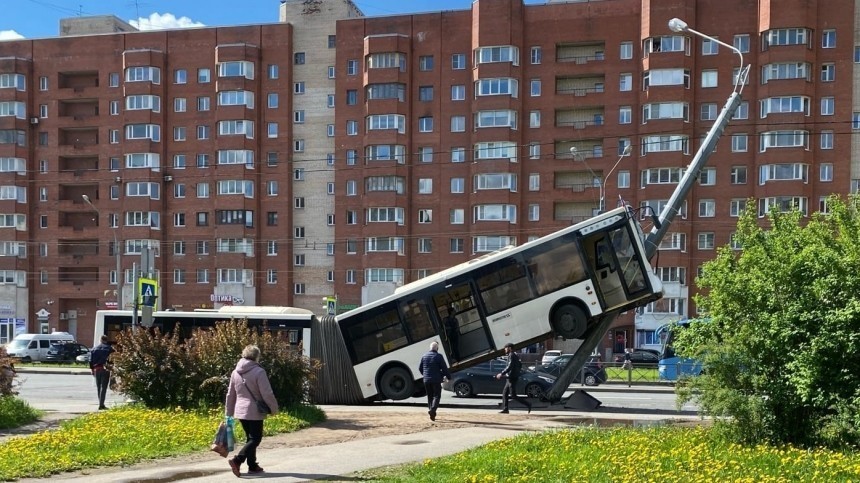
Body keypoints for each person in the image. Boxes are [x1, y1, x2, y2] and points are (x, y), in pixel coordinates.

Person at [225, 345, 279, 477]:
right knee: (255, 439)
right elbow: (267, 393)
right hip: (254, 410)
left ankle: (253, 465)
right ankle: (237, 460)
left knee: (250, 438)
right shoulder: (259, 372)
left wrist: (229, 413)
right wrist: (274, 409)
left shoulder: (235, 372)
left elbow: (230, 394)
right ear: (257, 356)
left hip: (240, 410)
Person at [418, 341, 450, 421]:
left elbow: (420, 368)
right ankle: (432, 410)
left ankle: (431, 412)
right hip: (436, 380)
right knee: (436, 396)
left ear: (430, 348)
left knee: (430, 396)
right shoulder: (439, 356)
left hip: (426, 380)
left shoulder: (424, 356)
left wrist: (424, 375)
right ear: (437, 348)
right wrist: (448, 377)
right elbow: (444, 368)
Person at [495, 342, 531, 414]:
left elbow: (510, 366)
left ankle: (528, 404)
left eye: (506, 348)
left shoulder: (512, 355)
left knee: (513, 395)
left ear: (510, 348)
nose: (505, 350)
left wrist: (502, 373)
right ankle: (505, 409)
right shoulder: (514, 355)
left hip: (512, 378)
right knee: (505, 393)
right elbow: (519, 365)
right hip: (510, 377)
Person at [89, 335, 114, 410]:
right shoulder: (110, 349)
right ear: (107, 340)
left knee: (98, 387)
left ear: (100, 340)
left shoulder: (94, 349)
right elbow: (112, 360)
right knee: (104, 387)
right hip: (105, 369)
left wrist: (92, 370)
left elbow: (90, 361)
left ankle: (101, 403)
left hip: (97, 369)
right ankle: (101, 404)